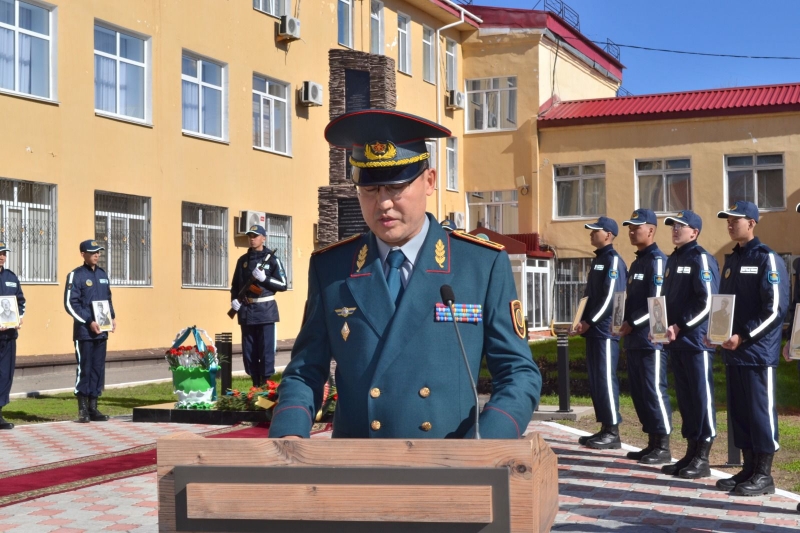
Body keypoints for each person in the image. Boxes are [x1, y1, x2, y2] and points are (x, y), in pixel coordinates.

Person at [269, 109, 541, 439]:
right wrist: (288, 438)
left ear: (429, 181)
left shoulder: (479, 265)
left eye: (396, 187)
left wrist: (487, 445)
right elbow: (305, 371)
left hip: (450, 458)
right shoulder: (333, 268)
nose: (383, 203)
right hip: (359, 460)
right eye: (370, 189)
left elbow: (518, 373)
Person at [715, 201, 788, 496]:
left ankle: (764, 474)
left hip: (757, 353)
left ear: (752, 223)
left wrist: (743, 336)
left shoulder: (766, 258)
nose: (731, 224)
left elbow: (775, 309)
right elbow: (723, 305)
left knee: (760, 414)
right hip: (734, 352)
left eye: (736, 220)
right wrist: (716, 333)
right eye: (728, 220)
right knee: (741, 414)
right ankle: (748, 468)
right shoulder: (732, 260)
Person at [660, 210, 719, 479]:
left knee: (700, 397)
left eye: (680, 226)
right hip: (677, 342)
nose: (675, 229)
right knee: (685, 399)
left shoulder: (700, 258)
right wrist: (660, 328)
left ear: (694, 232)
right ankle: (691, 451)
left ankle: (703, 456)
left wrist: (679, 325)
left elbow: (707, 301)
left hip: (696, 342)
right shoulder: (673, 259)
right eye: (673, 226)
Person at [616, 209, 672, 464]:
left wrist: (632, 323)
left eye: (636, 227)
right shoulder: (637, 262)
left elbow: (657, 300)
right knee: (639, 392)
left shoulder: (657, 261)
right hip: (634, 339)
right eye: (629, 227)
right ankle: (652, 442)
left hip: (651, 339)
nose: (631, 231)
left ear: (650, 230)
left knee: (653, 390)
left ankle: (663, 445)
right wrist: (621, 321)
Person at [571, 216, 628, 449]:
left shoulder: (613, 260)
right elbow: (590, 296)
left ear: (608, 235)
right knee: (596, 380)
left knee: (605, 379)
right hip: (594, 331)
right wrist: (579, 320)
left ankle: (613, 431)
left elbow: (610, 299)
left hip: (604, 331)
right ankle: (605, 427)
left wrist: (590, 321)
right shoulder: (598, 260)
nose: (591, 234)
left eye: (596, 231)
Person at [64, 240, 116, 423]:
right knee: (85, 368)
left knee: (98, 368)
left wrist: (112, 317)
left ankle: (93, 406)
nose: (96, 255)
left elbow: (108, 299)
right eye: (93, 252)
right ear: (83, 254)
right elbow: (70, 303)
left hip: (102, 331)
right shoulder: (76, 275)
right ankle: (83, 408)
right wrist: (89, 321)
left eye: (98, 252)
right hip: (85, 333)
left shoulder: (102, 274)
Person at [230, 225, 288, 388]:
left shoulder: (272, 259)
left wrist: (265, 279)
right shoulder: (242, 261)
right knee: (249, 351)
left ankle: (265, 384)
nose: (252, 239)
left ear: (264, 238)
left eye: (255, 236)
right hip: (246, 311)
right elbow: (235, 285)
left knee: (266, 350)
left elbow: (283, 284)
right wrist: (234, 300)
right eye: (250, 236)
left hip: (265, 311)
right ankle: (254, 384)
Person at [0, 242, 25, 430]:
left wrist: (19, 318)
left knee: (5, 374)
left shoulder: (11, 277)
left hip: (8, 335)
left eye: (4, 253)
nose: (2, 257)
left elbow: (21, 301)